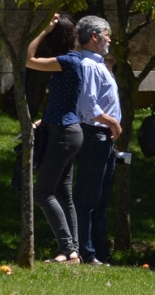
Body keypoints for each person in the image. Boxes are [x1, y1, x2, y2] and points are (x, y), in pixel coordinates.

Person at [25, 13, 93, 263]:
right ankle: (71, 252)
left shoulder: (67, 61)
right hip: (64, 130)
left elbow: (29, 59)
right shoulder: (73, 61)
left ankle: (68, 248)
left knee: (43, 193)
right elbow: (63, 101)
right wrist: (42, 121)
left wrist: (43, 30)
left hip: (64, 134)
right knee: (63, 194)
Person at [70, 16, 122, 266]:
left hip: (104, 138)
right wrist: (112, 122)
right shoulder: (89, 65)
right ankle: (86, 252)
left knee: (101, 198)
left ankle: (100, 251)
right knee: (88, 197)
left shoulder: (97, 63)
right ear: (94, 36)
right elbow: (88, 106)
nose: (109, 39)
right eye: (107, 34)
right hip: (94, 135)